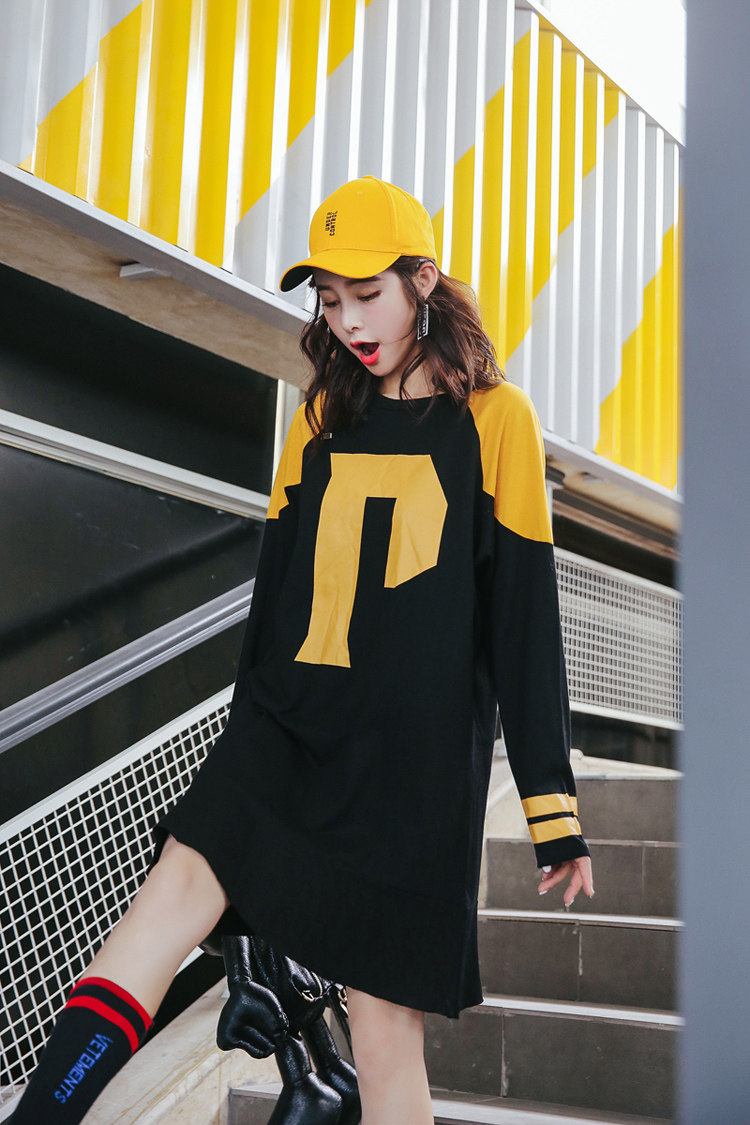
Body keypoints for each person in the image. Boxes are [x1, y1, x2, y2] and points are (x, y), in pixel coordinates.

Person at [10, 175, 594, 1125]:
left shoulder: (497, 420)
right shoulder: (322, 413)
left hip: (411, 772)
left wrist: (551, 807)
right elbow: (274, 602)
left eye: (367, 293)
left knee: (385, 1037)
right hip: (287, 731)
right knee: (158, 912)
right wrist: (242, 750)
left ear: (423, 281)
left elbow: (524, 620)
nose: (347, 319)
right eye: (329, 297)